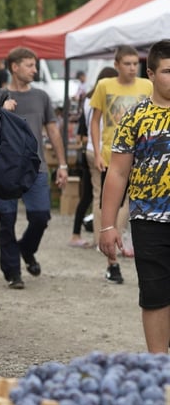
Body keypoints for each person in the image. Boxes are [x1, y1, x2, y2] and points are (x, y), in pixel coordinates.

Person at [99, 39, 170, 354]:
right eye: (168, 71)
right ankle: (158, 370)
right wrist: (107, 224)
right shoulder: (135, 117)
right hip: (149, 220)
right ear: (151, 73)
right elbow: (117, 173)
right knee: (155, 295)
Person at [0, 47, 69, 288]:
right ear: (14, 67)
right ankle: (13, 272)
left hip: (36, 167)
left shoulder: (41, 97)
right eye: (30, 65)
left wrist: (63, 164)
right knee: (7, 219)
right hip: (6, 168)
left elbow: (53, 131)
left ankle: (26, 247)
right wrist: (0, 111)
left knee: (41, 215)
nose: (35, 70)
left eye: (35, 65)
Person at [90, 45, 153, 284]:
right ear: (116, 65)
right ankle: (112, 262)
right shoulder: (105, 86)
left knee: (133, 205)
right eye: (127, 63)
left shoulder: (147, 86)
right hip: (111, 154)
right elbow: (95, 121)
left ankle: (126, 241)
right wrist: (96, 152)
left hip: (143, 156)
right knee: (111, 204)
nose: (132, 67)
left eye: (135, 63)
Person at [70, 67, 118, 248]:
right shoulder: (107, 98)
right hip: (100, 150)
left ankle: (77, 233)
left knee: (90, 195)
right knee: (100, 196)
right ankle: (101, 239)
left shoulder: (88, 99)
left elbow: (83, 127)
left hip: (88, 150)